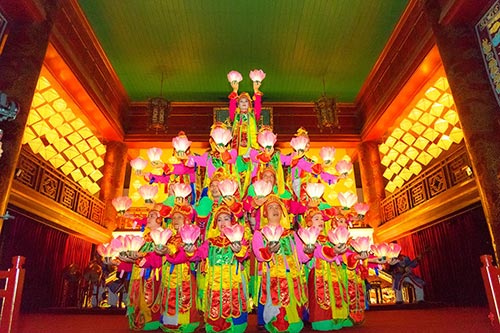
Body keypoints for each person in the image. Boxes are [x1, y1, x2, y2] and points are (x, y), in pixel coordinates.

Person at [252, 194, 309, 333]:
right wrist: (269, 251)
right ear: (265, 214)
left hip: (292, 276)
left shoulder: (291, 234)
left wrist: (308, 250)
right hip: (273, 277)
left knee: (293, 308)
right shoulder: (260, 234)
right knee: (275, 306)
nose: (274, 209)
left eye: (277, 207)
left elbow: (303, 257)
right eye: (270, 207)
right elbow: (259, 255)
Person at [192, 204, 250, 332]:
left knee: (235, 305)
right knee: (215, 307)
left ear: (232, 221)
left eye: (226, 219)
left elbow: (245, 254)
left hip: (234, 283)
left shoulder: (239, 239)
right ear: (215, 223)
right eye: (219, 219)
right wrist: (190, 250)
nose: (222, 222)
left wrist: (239, 250)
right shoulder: (211, 242)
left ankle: (237, 326)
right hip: (215, 284)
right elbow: (198, 254)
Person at [157, 203, 202, 333]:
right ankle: (168, 323)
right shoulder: (167, 236)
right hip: (168, 274)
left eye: (179, 217)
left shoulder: (190, 236)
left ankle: (184, 324)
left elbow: (187, 256)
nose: (175, 220)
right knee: (168, 296)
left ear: (186, 220)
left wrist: (169, 252)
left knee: (183, 298)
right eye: (174, 218)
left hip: (184, 274)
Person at [229, 79, 263, 157]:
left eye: (246, 101)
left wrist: (256, 90)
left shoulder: (253, 115)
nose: (244, 103)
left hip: (251, 148)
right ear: (238, 105)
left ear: (249, 104)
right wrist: (235, 90)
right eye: (241, 101)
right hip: (236, 148)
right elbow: (232, 106)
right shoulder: (235, 115)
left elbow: (258, 105)